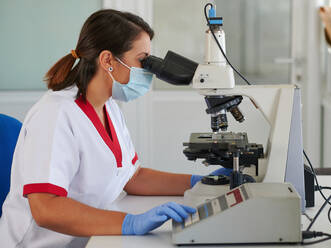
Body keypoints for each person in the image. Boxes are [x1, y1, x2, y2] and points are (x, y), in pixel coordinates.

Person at [0, 9, 230, 248]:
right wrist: (128, 223)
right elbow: (45, 207)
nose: (148, 70)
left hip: (89, 238)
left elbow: (132, 177)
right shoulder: (56, 114)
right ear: (107, 60)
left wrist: (200, 182)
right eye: (143, 60)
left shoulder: (109, 108)